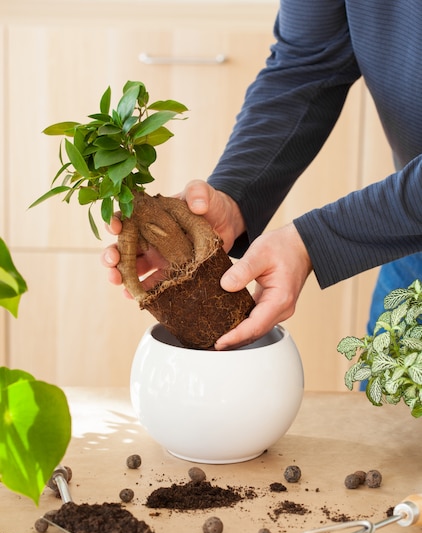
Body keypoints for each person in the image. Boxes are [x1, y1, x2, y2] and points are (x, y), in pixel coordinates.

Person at [103, 0, 422, 350]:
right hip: (410, 236)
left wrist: (313, 241)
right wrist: (236, 194)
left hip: (403, 220)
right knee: (386, 401)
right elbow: (308, 61)